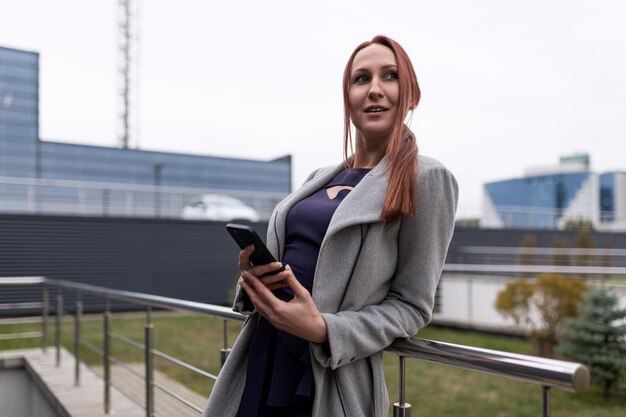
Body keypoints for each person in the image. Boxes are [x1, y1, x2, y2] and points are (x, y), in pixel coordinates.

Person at [201, 35, 458, 417]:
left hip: (325, 377)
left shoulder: (427, 178)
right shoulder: (319, 176)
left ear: (410, 94)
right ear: (347, 97)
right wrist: (256, 278)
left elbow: (412, 306)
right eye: (360, 79)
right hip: (262, 355)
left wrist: (325, 330)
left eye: (390, 76)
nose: (374, 89)